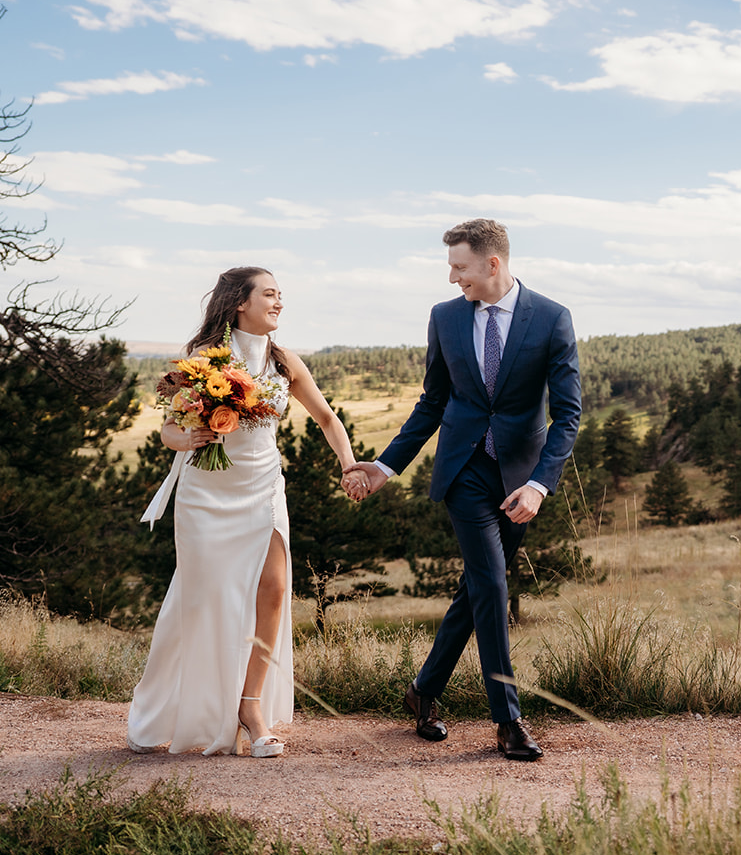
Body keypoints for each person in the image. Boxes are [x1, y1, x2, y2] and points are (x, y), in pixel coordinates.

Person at [347, 218, 581, 761]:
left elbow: (567, 416)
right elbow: (432, 402)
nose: (453, 279)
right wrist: (385, 467)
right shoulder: (445, 317)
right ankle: (508, 719)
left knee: (476, 588)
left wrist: (540, 486)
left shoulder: (551, 318)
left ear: (492, 263)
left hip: (519, 480)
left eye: (460, 267)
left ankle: (423, 690)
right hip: (464, 474)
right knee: (492, 584)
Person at [128, 267, 368, 757]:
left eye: (281, 295)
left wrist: (349, 466)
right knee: (202, 601)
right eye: (270, 295)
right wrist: (190, 436)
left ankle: (251, 706)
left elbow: (325, 417)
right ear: (240, 302)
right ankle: (182, 705)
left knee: (276, 590)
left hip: (263, 488)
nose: (279, 303)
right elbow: (168, 431)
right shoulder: (203, 361)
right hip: (207, 495)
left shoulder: (285, 362)